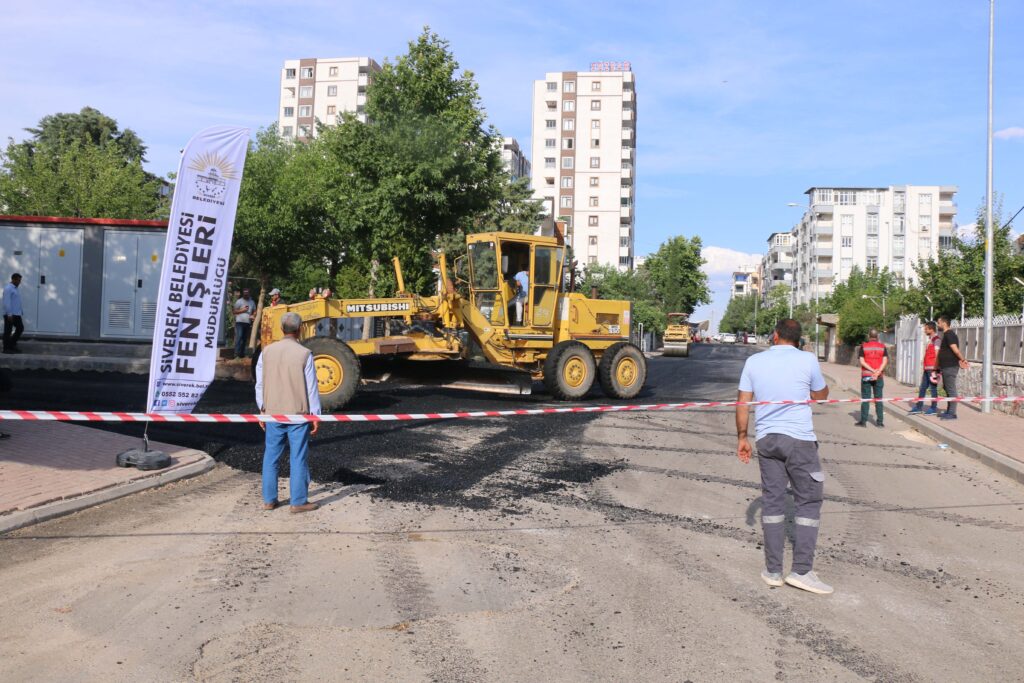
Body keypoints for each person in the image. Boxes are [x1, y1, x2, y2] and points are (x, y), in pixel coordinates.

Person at [736, 318, 833, 595]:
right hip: (800, 441)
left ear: (775, 335)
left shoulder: (754, 362)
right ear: (798, 339)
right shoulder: (808, 360)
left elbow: (743, 402)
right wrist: (820, 388)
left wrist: (743, 437)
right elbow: (821, 396)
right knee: (808, 503)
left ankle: (773, 571)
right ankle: (802, 571)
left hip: (767, 440)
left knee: (773, 502)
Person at [254, 312, 321, 513]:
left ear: (282, 329)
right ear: (300, 329)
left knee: (271, 456)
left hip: (273, 411)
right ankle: (298, 502)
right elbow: (311, 388)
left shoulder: (266, 352)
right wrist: (315, 414)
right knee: (298, 457)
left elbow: (260, 383)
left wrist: (262, 408)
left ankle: (269, 500)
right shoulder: (304, 353)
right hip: (297, 413)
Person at [936, 315, 970, 420]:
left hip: (950, 366)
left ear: (944, 323)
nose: (938, 324)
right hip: (946, 366)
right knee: (947, 388)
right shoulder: (946, 335)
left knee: (951, 389)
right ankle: (949, 411)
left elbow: (955, 349)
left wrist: (962, 359)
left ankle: (952, 413)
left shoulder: (949, 335)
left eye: (939, 322)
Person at [855, 329, 888, 427]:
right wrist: (877, 372)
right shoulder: (882, 347)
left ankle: (863, 422)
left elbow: (862, 361)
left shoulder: (864, 346)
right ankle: (880, 423)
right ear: (877, 336)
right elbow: (885, 361)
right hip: (879, 376)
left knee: (866, 398)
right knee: (878, 399)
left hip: (866, 376)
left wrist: (872, 371)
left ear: (869, 336)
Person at [909, 321, 941, 415]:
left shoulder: (936, 340)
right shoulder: (930, 340)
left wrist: (936, 369)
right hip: (927, 368)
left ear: (931, 329)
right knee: (922, 387)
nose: (924, 331)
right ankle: (919, 406)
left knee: (933, 389)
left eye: (926, 329)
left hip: (932, 369)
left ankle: (933, 408)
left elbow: (937, 355)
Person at [3, 273, 24, 354]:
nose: (19, 282)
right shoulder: (8, 289)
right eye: (18, 280)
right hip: (10, 314)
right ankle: (6, 348)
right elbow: (6, 302)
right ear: (13, 279)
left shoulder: (15, 288)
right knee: (8, 331)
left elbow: (16, 302)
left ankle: (11, 345)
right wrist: (9, 314)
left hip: (16, 314)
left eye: (20, 280)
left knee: (20, 328)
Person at [233, 288, 255, 359]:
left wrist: (253, 315)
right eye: (245, 293)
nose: (246, 295)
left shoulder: (252, 302)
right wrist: (242, 310)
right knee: (239, 337)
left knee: (244, 338)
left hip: (247, 322)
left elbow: (255, 310)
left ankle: (242, 354)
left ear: (249, 293)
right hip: (239, 322)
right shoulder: (239, 301)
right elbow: (234, 311)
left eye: (247, 293)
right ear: (243, 294)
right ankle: (236, 354)